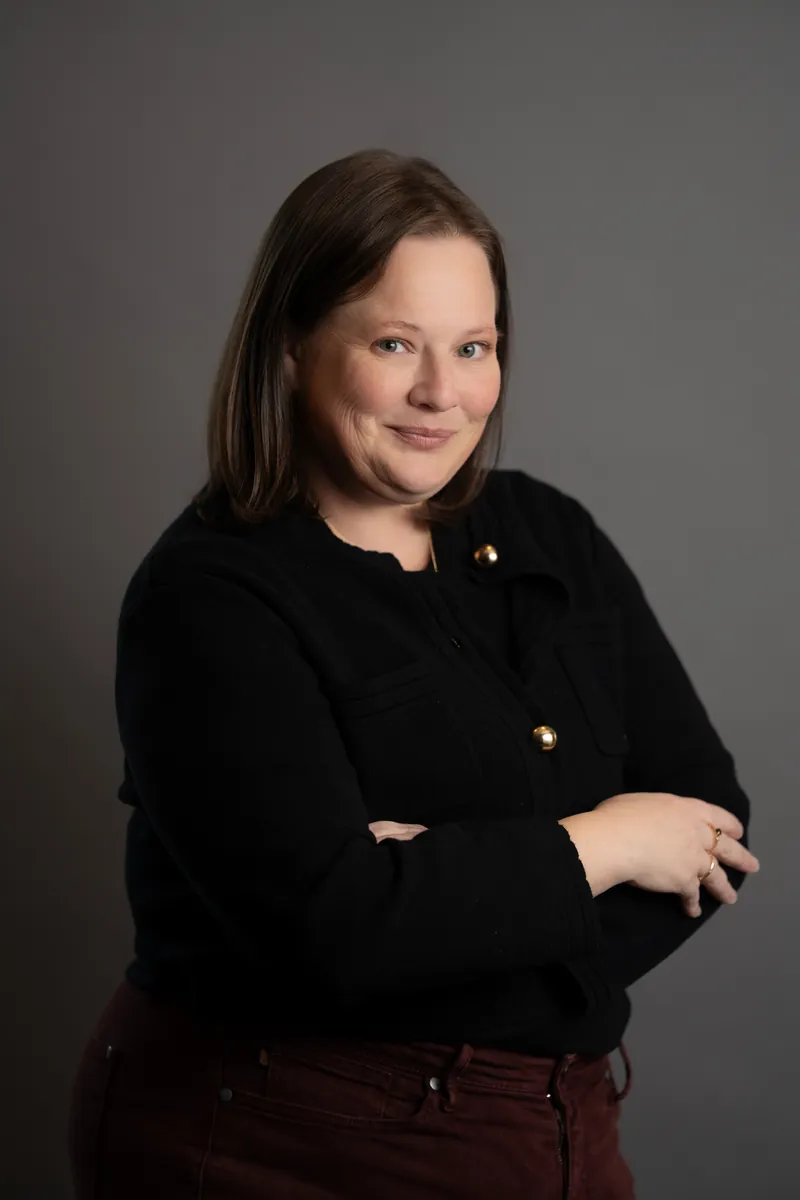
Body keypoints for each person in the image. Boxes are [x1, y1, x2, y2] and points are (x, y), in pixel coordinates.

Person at [67, 148, 759, 1200]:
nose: (442, 392)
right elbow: (333, 932)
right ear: (291, 346)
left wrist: (433, 893)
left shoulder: (550, 532)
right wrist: (609, 842)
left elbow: (710, 823)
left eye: (473, 347)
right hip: (282, 1133)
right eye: (394, 343)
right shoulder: (209, 599)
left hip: (554, 1123)